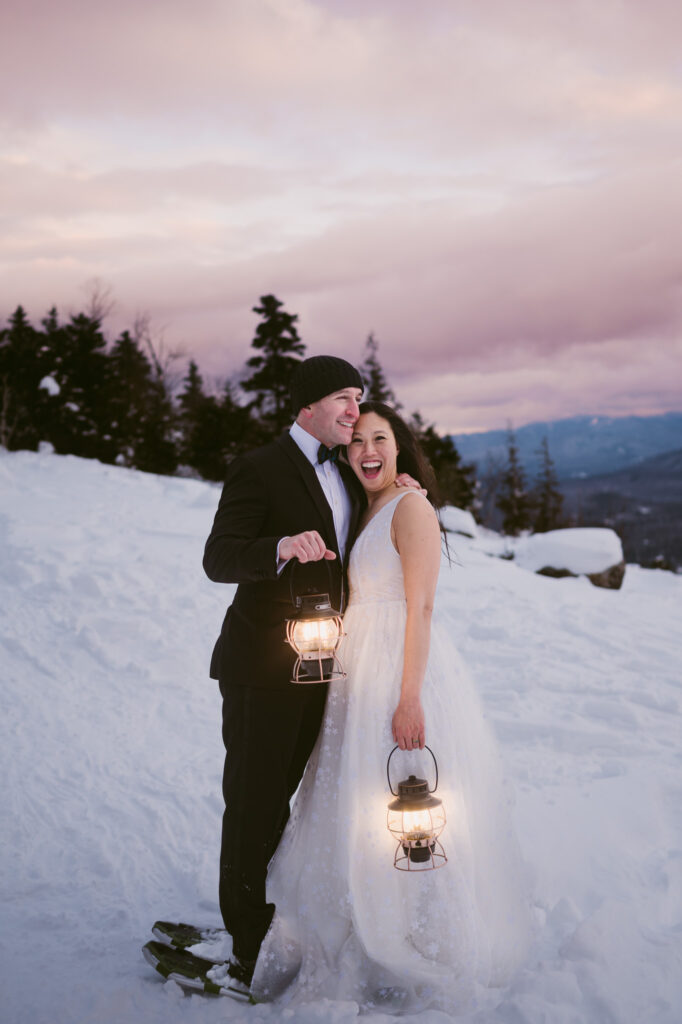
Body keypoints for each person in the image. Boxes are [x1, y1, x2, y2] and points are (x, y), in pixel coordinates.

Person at [250, 402, 533, 1015]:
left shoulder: (412, 507)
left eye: (380, 438)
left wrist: (409, 698)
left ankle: (408, 932)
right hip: (357, 670)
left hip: (400, 670)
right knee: (349, 800)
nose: (367, 449)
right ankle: (348, 915)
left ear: (400, 448)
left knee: (400, 805)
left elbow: (422, 607)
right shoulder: (367, 505)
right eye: (357, 441)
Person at [201, 360, 421, 1000]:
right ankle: (247, 948)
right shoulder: (258, 467)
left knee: (294, 804)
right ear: (306, 405)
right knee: (253, 803)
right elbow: (218, 557)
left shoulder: (348, 473)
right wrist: (278, 548)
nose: (355, 411)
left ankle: (273, 916)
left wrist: (397, 489)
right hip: (261, 671)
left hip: (326, 671)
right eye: (343, 399)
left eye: (360, 400)